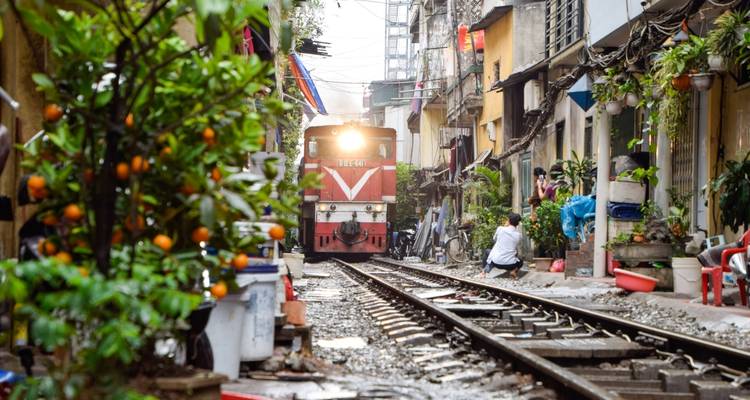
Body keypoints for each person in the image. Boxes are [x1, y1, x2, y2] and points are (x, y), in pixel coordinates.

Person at [480, 213, 523, 279]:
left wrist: (505, 226)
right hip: (510, 265)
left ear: (508, 221)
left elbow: (494, 239)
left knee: (488, 252)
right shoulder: (519, 235)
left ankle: (484, 272)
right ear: (517, 224)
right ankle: (513, 271)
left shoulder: (500, 229)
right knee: (520, 260)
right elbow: (516, 245)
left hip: (496, 262)